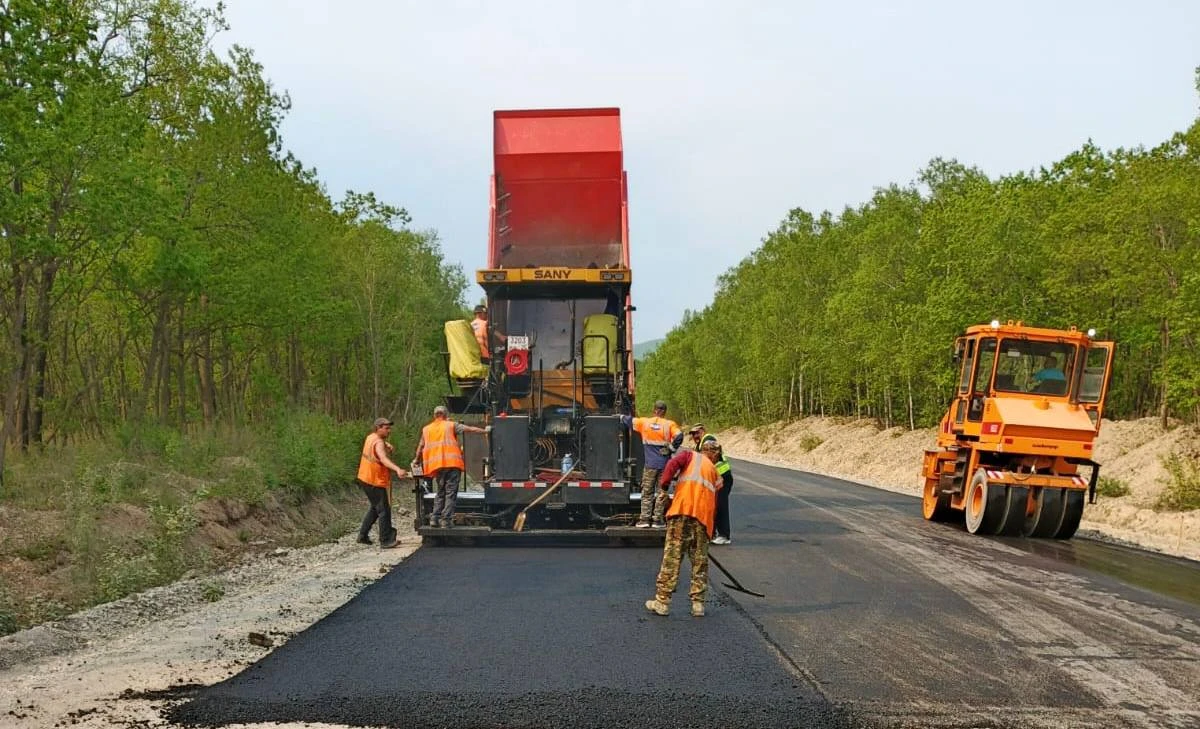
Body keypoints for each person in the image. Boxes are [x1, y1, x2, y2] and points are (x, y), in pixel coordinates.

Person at [644, 439, 725, 618]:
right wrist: (711, 530)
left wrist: (664, 486)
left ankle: (662, 602)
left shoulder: (690, 456)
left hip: (681, 514)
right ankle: (698, 605)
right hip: (703, 521)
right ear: (714, 454)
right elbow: (715, 502)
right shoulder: (715, 473)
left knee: (672, 559)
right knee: (699, 562)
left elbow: (671, 464)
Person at [414, 405, 490, 528]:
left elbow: (420, 446)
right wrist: (485, 430)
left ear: (434, 415)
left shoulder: (426, 429)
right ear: (445, 415)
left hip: (437, 466)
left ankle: (434, 518)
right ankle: (446, 520)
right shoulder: (451, 425)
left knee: (440, 492)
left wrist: (416, 460)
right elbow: (470, 429)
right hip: (452, 464)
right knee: (450, 493)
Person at [620, 400, 682, 528]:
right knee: (661, 492)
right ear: (665, 412)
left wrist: (620, 416)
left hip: (650, 466)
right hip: (664, 466)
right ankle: (657, 520)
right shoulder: (669, 424)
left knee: (647, 492)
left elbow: (629, 420)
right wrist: (671, 448)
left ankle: (644, 519)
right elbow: (679, 436)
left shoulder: (644, 423)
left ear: (654, 410)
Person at [356, 417, 410, 548]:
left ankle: (362, 536)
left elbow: (377, 446)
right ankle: (385, 540)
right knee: (384, 510)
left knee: (375, 508)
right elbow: (383, 459)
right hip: (374, 480)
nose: (389, 431)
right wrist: (398, 469)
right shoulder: (378, 442)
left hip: (365, 478)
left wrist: (386, 444)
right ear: (378, 428)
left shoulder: (371, 437)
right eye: (386, 428)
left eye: (389, 428)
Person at [679, 424, 734, 545]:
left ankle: (724, 535)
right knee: (712, 506)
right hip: (714, 479)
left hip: (722, 477)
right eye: (693, 434)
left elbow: (709, 458)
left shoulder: (708, 440)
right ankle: (712, 533)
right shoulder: (699, 445)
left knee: (720, 506)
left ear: (702, 431)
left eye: (697, 433)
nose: (695, 436)